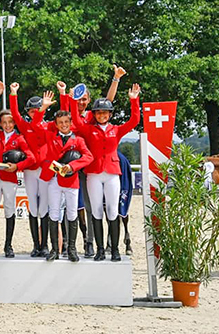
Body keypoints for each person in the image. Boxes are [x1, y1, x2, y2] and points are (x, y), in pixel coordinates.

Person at [58, 64, 127, 257]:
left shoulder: (92, 116)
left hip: (93, 163)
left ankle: (91, 243)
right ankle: (67, 244)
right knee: (67, 203)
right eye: (78, 99)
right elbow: (66, 109)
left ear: (89, 101)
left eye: (84, 99)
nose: (81, 102)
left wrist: (116, 79)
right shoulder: (69, 116)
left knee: (91, 206)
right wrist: (64, 93)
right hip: (70, 161)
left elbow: (108, 100)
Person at [71, 83, 141, 262]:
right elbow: (76, 120)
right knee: (95, 210)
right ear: (94, 114)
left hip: (111, 173)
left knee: (112, 209)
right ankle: (100, 249)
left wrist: (134, 100)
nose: (102, 115)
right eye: (99, 113)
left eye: (105, 113)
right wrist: (72, 100)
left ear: (110, 114)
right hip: (93, 173)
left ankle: (115, 249)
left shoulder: (116, 130)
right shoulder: (88, 129)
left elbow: (134, 121)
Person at [33, 91, 94, 262]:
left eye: (66, 122)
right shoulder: (50, 136)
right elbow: (36, 124)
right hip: (54, 180)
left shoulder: (78, 140)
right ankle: (54, 249)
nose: (64, 125)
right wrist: (43, 107)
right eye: (60, 123)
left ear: (70, 123)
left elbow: (88, 157)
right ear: (57, 124)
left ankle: (72, 249)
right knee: (54, 213)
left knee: (72, 214)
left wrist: (72, 166)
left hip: (72, 180)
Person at [0, 109, 36, 258]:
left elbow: (31, 158)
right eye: (4, 122)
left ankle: (8, 245)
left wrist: (17, 166)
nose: (7, 125)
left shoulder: (19, 139)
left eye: (10, 122)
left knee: (9, 209)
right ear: (1, 123)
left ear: (14, 122)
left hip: (10, 178)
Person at [9, 83, 50, 257]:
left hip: (46, 170)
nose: (35, 113)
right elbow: (15, 113)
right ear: (28, 112)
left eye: (37, 110)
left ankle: (45, 244)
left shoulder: (50, 126)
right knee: (33, 207)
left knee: (45, 208)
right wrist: (13, 94)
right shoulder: (26, 126)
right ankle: (36, 245)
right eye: (32, 110)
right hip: (31, 170)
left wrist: (64, 95)